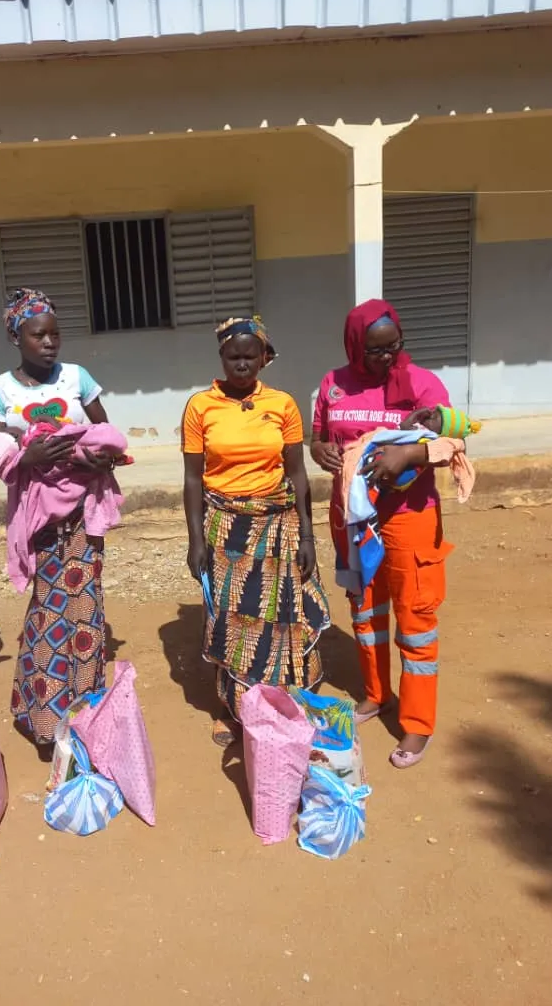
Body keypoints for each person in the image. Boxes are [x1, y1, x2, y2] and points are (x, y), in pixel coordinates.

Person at [311, 299, 455, 769]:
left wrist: (409, 458)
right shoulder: (333, 385)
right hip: (354, 517)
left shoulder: (423, 383)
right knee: (366, 609)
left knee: (415, 619)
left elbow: (455, 438)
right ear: (355, 347)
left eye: (394, 346)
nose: (387, 357)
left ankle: (417, 725)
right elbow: (320, 438)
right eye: (375, 350)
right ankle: (377, 694)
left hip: (409, 517)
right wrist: (322, 453)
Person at [181, 316, 330, 748]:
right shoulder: (199, 406)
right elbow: (192, 480)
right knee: (232, 620)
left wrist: (307, 536)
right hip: (225, 527)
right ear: (221, 357)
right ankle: (232, 709)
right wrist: (195, 541)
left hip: (278, 523)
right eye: (233, 356)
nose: (242, 364)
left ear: (264, 358)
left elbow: (298, 474)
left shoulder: (282, 404)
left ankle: (285, 702)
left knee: (286, 615)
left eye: (250, 356)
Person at [0, 289, 116, 748]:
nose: (50, 342)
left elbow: (104, 431)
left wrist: (102, 461)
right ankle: (46, 712)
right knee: (46, 607)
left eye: (55, 333)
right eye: (39, 335)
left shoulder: (78, 377)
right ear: (16, 337)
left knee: (86, 605)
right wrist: (28, 453)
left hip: (81, 511)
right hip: (35, 516)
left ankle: (87, 710)